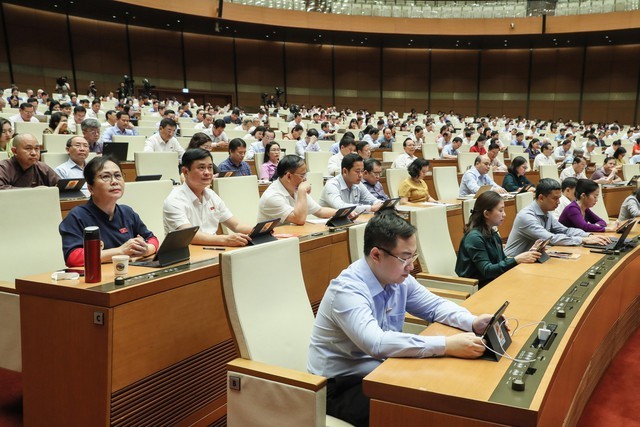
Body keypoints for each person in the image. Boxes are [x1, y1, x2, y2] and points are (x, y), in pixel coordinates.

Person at [308, 210, 495, 426]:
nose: (412, 266)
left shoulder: (399, 278)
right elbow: (376, 343)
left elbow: (435, 306)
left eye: (413, 256)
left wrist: (472, 321)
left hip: (384, 369)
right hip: (339, 386)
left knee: (445, 386)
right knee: (417, 409)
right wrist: (447, 345)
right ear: (377, 255)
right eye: (405, 258)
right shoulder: (348, 290)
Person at [59, 156, 158, 267]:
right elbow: (73, 258)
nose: (114, 181)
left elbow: (152, 239)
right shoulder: (77, 216)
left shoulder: (127, 212)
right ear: (91, 188)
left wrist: (146, 250)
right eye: (106, 177)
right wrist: (120, 251)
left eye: (117, 175)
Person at [163, 148, 254, 246]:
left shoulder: (211, 195)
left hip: (213, 250)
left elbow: (236, 225)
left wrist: (258, 231)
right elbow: (190, 236)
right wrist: (225, 239)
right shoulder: (174, 200)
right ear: (185, 172)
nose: (207, 172)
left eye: (210, 168)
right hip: (187, 254)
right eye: (201, 168)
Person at [504, 178, 610, 256]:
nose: (559, 202)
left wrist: (589, 235)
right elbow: (550, 238)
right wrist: (582, 240)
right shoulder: (526, 216)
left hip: (533, 258)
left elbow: (565, 230)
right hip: (514, 262)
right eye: (555, 199)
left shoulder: (546, 213)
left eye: (559, 198)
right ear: (541, 198)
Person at [455, 191, 540, 288]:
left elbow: (502, 260)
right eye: (500, 211)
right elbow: (487, 271)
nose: (504, 214)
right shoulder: (474, 238)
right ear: (486, 214)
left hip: (494, 281)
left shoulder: (492, 233)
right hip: (477, 287)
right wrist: (517, 260)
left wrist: (529, 254)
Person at [258, 154, 335, 225]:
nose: (305, 179)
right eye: (302, 175)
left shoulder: (295, 188)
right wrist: (302, 191)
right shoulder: (272, 196)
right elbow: (299, 220)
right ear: (288, 176)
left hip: (290, 235)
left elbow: (320, 211)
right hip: (272, 239)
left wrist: (344, 213)